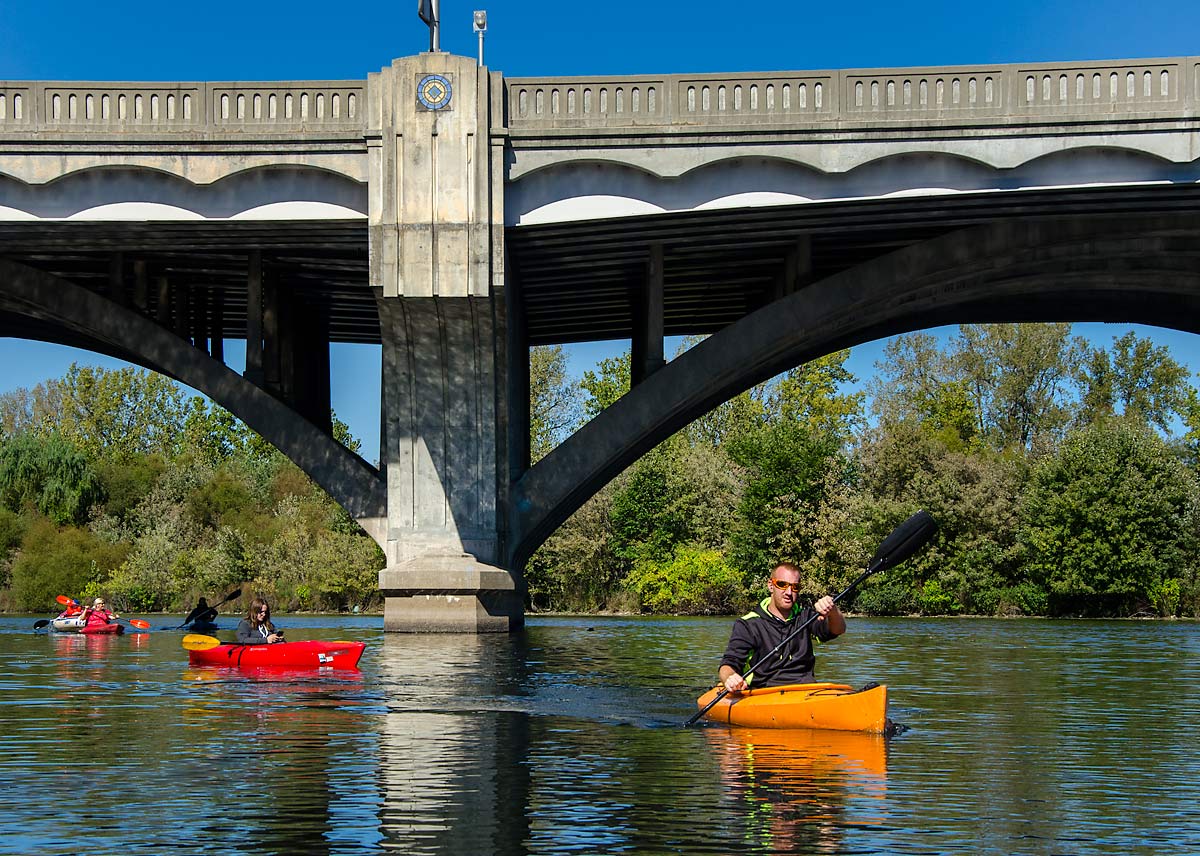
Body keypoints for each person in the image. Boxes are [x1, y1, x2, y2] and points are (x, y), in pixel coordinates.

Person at [718, 562, 846, 693]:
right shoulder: (748, 624)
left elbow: (838, 630)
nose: (789, 592)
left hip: (805, 691)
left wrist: (833, 610)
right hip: (765, 693)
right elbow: (728, 664)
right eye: (782, 585)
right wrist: (730, 678)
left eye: (795, 587)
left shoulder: (806, 617)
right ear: (770, 586)